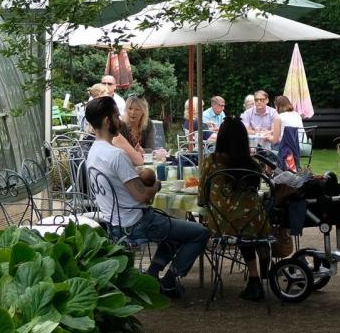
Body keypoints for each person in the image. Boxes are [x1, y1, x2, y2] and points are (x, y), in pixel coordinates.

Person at [85, 96, 209, 300]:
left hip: (113, 221)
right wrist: (156, 185)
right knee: (200, 232)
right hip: (136, 222)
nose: (120, 119)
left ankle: (152, 275)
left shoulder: (93, 152)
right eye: (117, 115)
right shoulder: (115, 155)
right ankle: (170, 281)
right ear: (108, 121)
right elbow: (143, 196)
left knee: (174, 228)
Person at [199, 117, 273, 301]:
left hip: (224, 223)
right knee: (249, 224)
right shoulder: (253, 164)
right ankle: (263, 270)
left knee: (237, 224)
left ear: (221, 138)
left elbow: (202, 199)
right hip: (257, 221)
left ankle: (255, 279)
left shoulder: (212, 162)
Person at [269, 95, 304, 172]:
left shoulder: (279, 117)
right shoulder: (297, 115)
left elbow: (275, 140)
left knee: (267, 148)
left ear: (278, 106)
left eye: (275, 106)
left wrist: (267, 137)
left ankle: (271, 172)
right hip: (302, 146)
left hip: (289, 148)